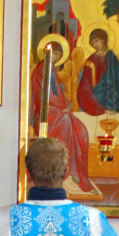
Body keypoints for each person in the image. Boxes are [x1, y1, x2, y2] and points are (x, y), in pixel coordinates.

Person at [30, 42, 94, 192]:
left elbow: (56, 92)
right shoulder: (44, 69)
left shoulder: (50, 68)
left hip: (54, 109)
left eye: (58, 55)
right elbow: (45, 95)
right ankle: (67, 169)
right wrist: (61, 107)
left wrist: (66, 104)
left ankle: (74, 168)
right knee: (67, 122)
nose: (56, 57)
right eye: (54, 54)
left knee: (79, 128)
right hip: (46, 112)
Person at [76, 28, 119, 115]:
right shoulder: (91, 61)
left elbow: (118, 79)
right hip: (98, 94)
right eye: (92, 43)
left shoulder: (111, 56)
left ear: (103, 39)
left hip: (113, 92)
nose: (95, 45)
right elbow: (86, 84)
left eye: (97, 41)